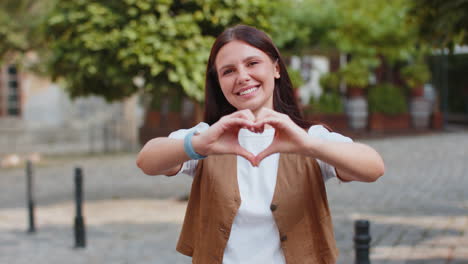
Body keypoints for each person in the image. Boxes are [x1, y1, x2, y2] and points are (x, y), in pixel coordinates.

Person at [136, 25, 385, 264]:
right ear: (219, 82)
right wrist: (199, 145)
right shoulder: (207, 137)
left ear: (276, 68)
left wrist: (308, 145)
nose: (242, 77)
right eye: (228, 71)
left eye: (252, 63)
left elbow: (373, 168)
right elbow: (147, 161)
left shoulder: (310, 137)